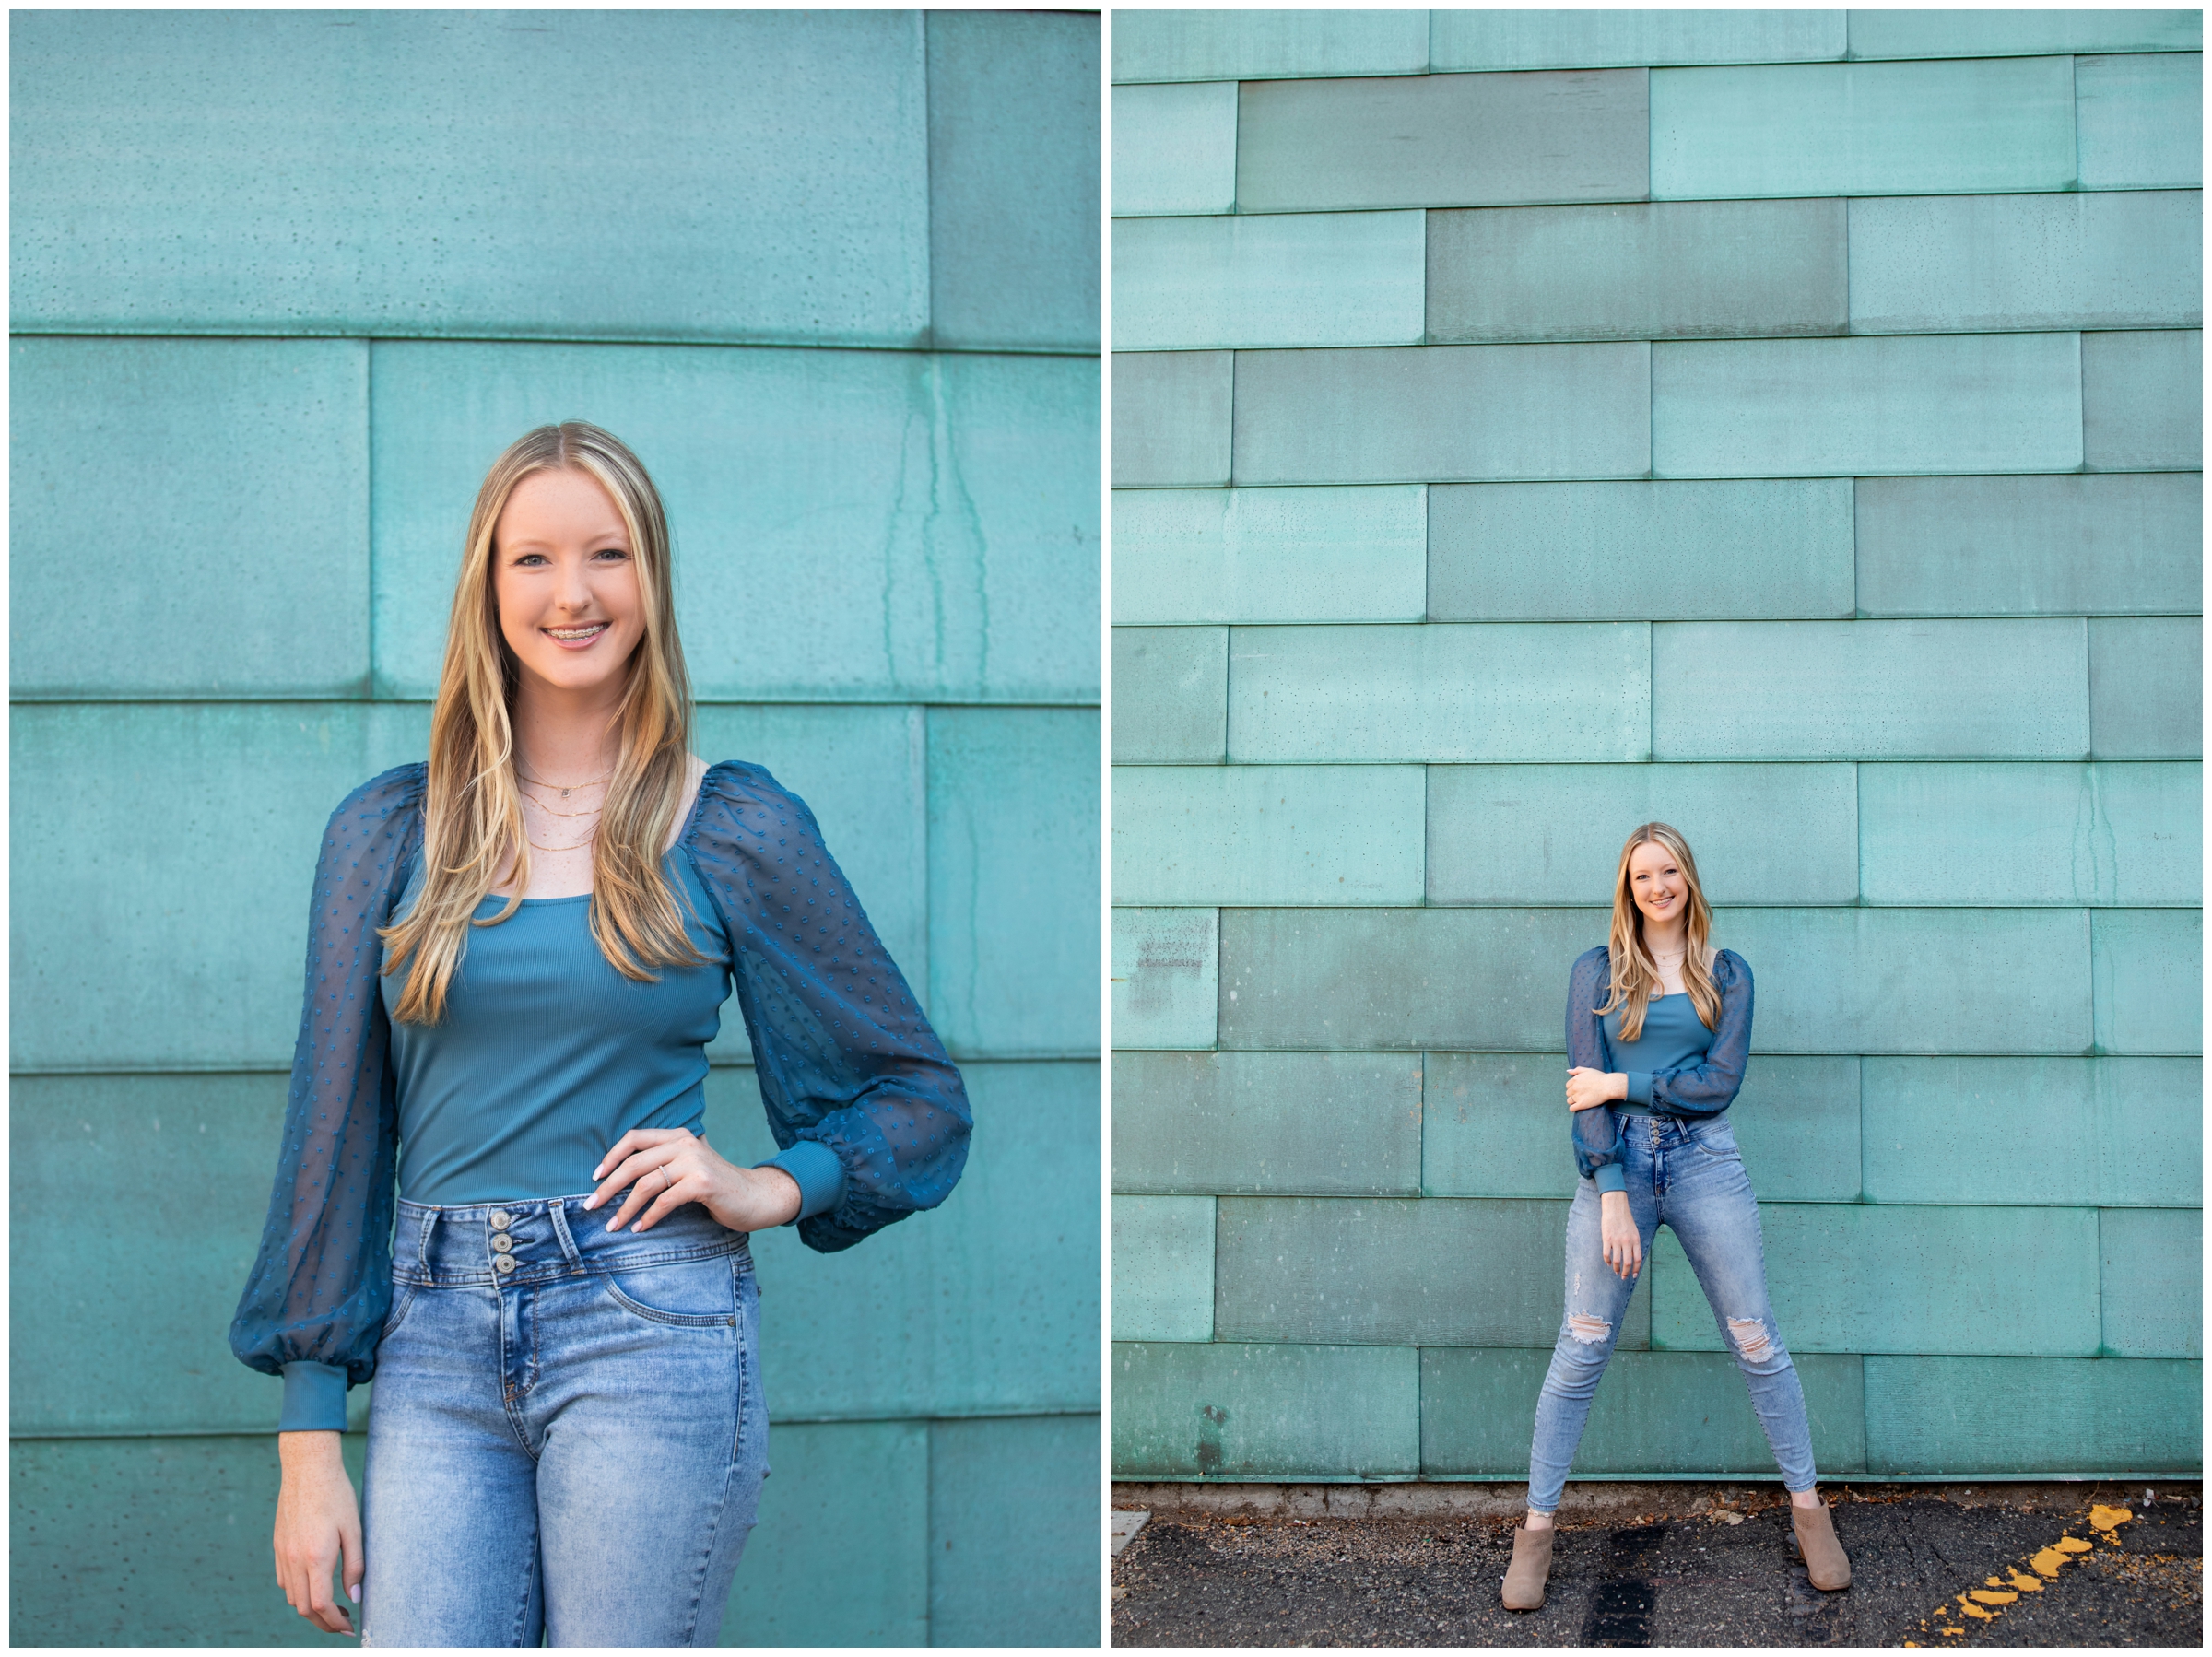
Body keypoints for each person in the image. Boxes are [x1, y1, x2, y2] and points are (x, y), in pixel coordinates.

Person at [229, 421, 971, 1646]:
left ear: (652, 579)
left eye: (606, 554)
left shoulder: (731, 826)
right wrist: (311, 1444)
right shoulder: (389, 836)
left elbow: (916, 1095)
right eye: (533, 559)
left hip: (651, 1321)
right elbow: (332, 1132)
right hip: (436, 1336)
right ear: (488, 585)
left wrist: (774, 1183)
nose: (572, 592)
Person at [1500, 822, 1849, 1612]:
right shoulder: (1596, 970)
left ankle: (1809, 1511)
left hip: (1704, 1162)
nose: (1656, 887)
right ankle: (1536, 1531)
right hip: (1617, 1170)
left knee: (1756, 1338)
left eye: (1668, 872)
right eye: (1640, 877)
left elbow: (1716, 1086)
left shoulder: (1727, 973)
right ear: (1626, 889)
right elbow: (1580, 1092)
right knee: (1583, 1345)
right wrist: (1612, 1190)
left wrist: (1622, 1086)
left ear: (1688, 878)